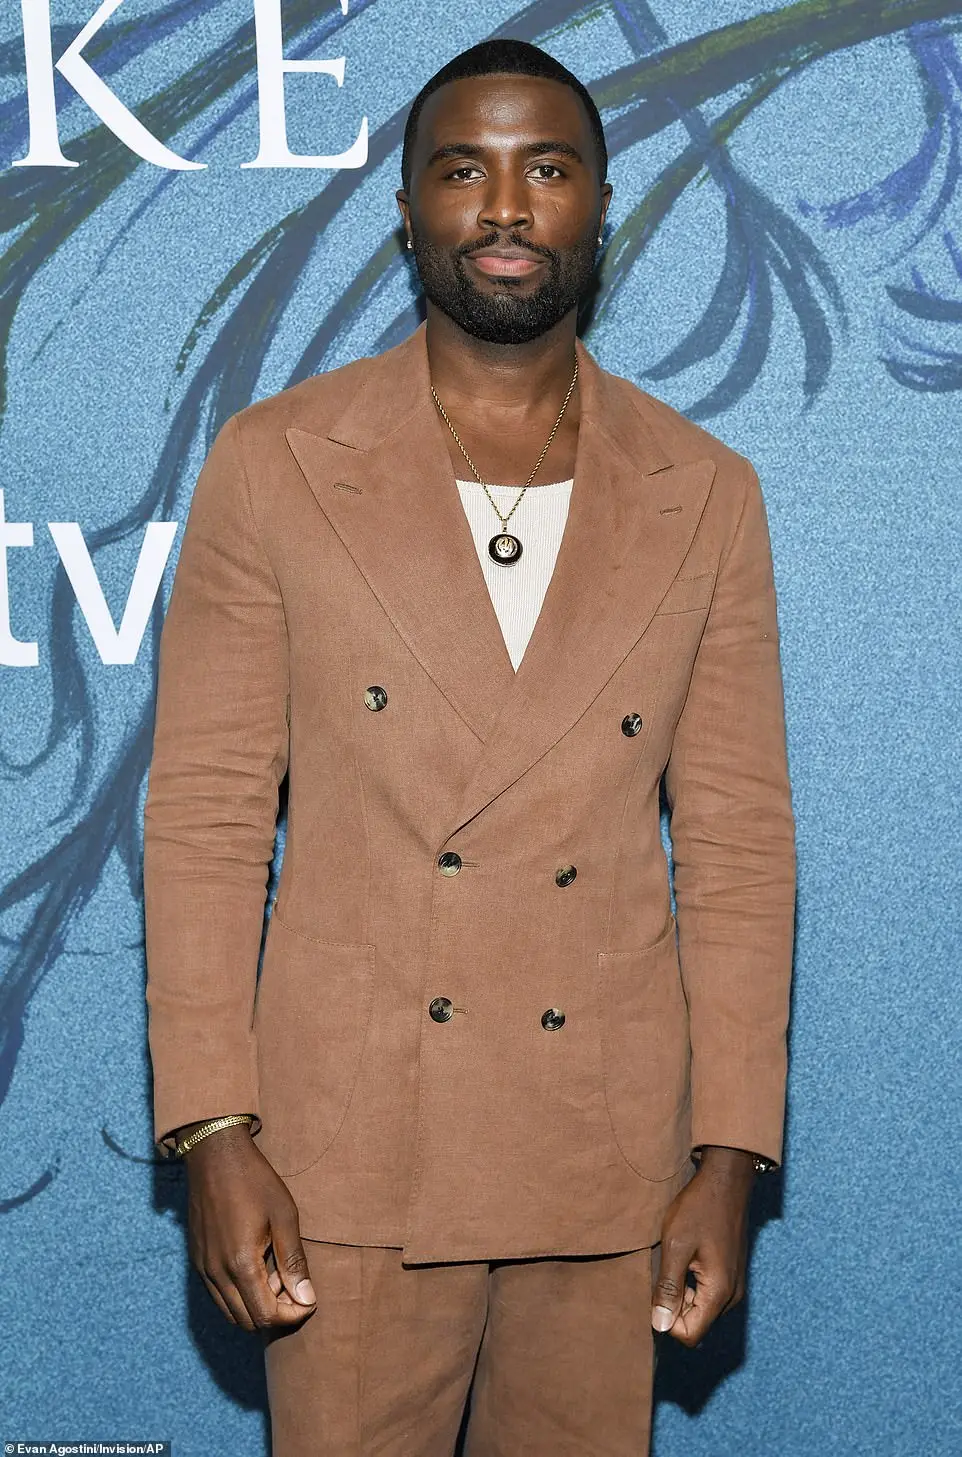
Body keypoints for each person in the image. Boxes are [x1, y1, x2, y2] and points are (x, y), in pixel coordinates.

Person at [143, 37, 796, 1457]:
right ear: (409, 210)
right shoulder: (276, 461)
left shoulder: (706, 495)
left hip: (602, 1160)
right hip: (348, 1153)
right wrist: (213, 1130)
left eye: (545, 169)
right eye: (463, 170)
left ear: (600, 204)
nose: (504, 207)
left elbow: (738, 852)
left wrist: (726, 1157)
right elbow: (202, 818)